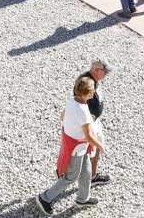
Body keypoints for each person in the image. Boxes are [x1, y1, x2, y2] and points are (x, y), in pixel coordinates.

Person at [33, 76, 104, 214]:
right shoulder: (83, 111)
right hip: (77, 149)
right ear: (86, 93)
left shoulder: (72, 100)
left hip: (77, 147)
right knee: (71, 177)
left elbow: (62, 117)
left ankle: (83, 199)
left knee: (86, 171)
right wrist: (100, 145)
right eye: (92, 92)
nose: (94, 93)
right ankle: (44, 198)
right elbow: (88, 136)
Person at [76, 60, 114, 185]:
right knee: (88, 150)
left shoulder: (94, 80)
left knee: (93, 148)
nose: (106, 75)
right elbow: (79, 101)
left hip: (94, 121)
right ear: (97, 70)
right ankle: (79, 177)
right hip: (89, 123)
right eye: (105, 72)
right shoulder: (86, 82)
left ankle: (92, 175)